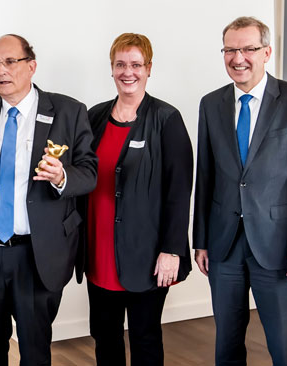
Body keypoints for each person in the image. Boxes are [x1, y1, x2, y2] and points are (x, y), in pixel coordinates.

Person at [0, 34, 97, 365]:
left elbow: (89, 172)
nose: (1, 70)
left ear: (31, 66)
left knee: (35, 351)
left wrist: (61, 176)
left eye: (10, 62)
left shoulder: (67, 111)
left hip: (37, 255)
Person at [193, 16, 287, 366]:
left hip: (279, 249)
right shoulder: (210, 104)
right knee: (227, 347)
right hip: (224, 247)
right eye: (231, 50)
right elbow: (204, 177)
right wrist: (201, 240)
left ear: (267, 52)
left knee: (284, 350)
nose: (239, 58)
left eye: (248, 49)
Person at [75, 33, 193, 366]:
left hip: (146, 253)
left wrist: (172, 250)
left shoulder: (166, 120)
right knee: (104, 334)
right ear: (112, 68)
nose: (129, 72)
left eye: (136, 64)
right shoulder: (94, 117)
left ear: (149, 69)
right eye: (121, 64)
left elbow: (179, 190)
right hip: (99, 250)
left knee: (144, 337)